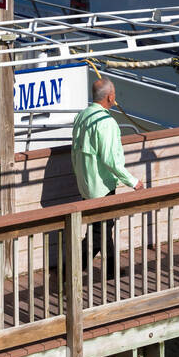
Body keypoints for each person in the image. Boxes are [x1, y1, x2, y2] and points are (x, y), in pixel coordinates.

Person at [71, 78, 139, 262]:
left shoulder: (82, 116)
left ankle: (110, 269)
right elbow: (111, 161)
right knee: (98, 232)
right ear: (110, 97)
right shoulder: (106, 122)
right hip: (101, 186)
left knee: (102, 227)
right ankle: (69, 271)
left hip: (85, 183)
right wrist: (133, 182)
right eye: (114, 93)